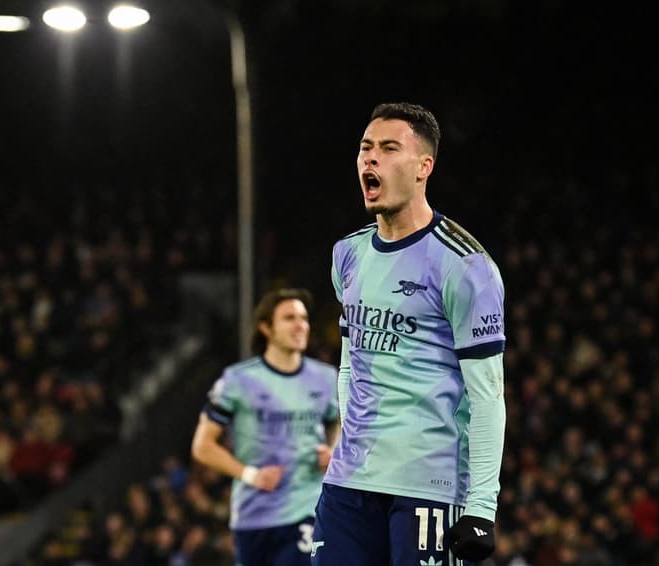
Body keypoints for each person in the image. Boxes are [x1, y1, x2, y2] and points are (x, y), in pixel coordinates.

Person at [311, 102, 506, 566]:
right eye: (365, 148)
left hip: (428, 487)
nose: (369, 159)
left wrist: (481, 506)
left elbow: (488, 395)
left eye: (387, 148)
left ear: (424, 167)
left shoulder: (465, 266)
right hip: (349, 485)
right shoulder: (348, 255)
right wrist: (346, 444)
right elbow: (349, 363)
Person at [191, 288, 340, 566]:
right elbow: (203, 446)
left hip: (306, 506)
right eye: (289, 318)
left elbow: (339, 421)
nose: (300, 325)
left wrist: (332, 450)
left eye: (304, 318)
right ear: (266, 328)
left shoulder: (326, 378)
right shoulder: (239, 380)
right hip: (252, 514)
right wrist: (250, 474)